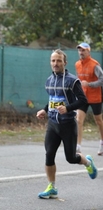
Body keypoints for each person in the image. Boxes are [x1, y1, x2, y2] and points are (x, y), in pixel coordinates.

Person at [36, 49, 98, 199]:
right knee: (49, 155)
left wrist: (68, 108)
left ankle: (87, 162)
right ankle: (52, 187)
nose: (55, 64)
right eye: (53, 61)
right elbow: (52, 99)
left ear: (65, 62)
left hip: (68, 124)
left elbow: (83, 100)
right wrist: (45, 110)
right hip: (53, 124)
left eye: (58, 61)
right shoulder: (49, 80)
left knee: (71, 158)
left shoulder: (72, 80)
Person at [74, 42, 103, 155]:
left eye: (83, 50)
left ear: (88, 51)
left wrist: (90, 84)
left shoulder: (95, 65)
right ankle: (78, 146)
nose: (81, 52)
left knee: (99, 121)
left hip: (95, 96)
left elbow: (102, 80)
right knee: (78, 120)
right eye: (79, 50)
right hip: (83, 97)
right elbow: (79, 79)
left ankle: (102, 143)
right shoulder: (77, 64)